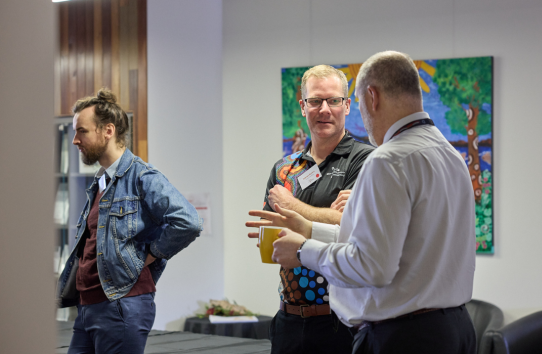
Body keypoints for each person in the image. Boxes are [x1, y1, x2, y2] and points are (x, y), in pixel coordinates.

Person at [256, 51, 477, 354]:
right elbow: (385, 243)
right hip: (454, 327)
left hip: (405, 336)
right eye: (315, 101)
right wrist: (310, 228)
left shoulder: (386, 159)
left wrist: (304, 249)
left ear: (371, 97)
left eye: (350, 103)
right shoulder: (449, 154)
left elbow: (372, 265)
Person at [56, 88, 202, 354]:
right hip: (87, 307)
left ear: (108, 130)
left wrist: (150, 255)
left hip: (120, 306)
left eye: (82, 131)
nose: (75, 140)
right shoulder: (101, 181)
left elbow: (189, 222)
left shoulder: (142, 176)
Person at [246, 65, 374, 354]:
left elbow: (355, 230)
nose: (324, 109)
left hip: (342, 322)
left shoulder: (367, 161)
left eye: (333, 100)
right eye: (315, 101)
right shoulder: (284, 169)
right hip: (288, 320)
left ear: (347, 105)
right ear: (303, 107)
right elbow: (271, 240)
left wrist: (293, 208)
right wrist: (332, 215)